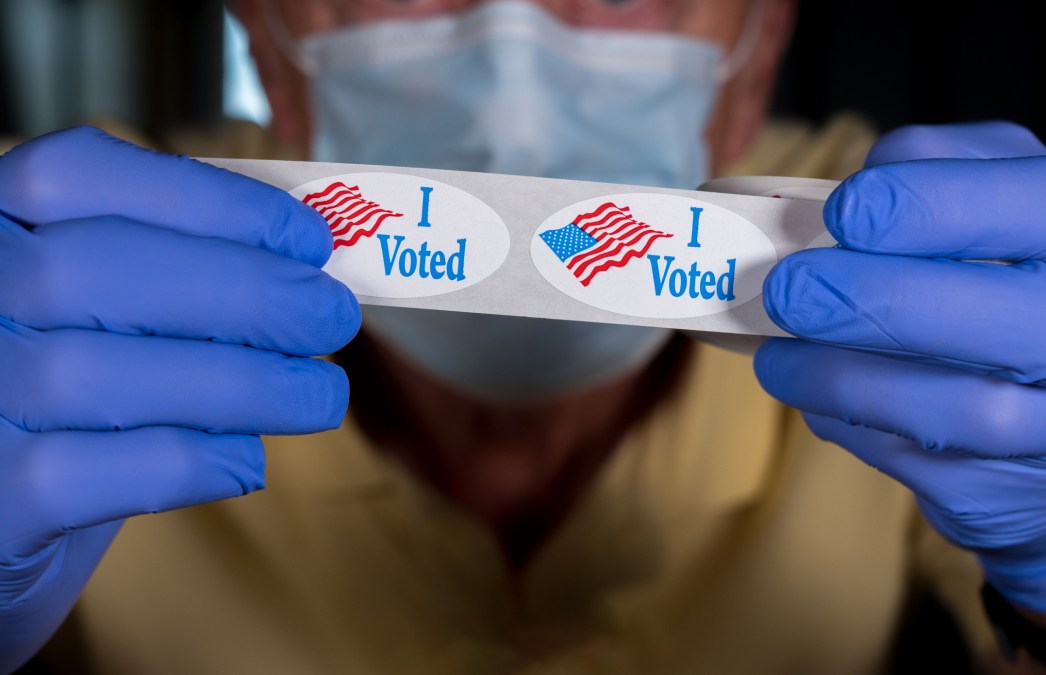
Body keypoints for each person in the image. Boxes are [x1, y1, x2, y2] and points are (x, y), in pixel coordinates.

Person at [2, 0, 1046, 672]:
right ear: (271, 48)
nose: (511, 77)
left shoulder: (911, 251)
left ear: (751, 51)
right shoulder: (47, 261)